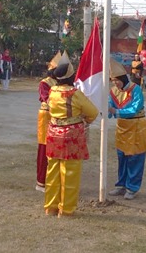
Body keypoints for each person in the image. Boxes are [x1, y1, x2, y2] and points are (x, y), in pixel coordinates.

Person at [44, 52, 98, 218]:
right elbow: (93, 112)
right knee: (70, 173)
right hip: (71, 136)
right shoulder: (75, 94)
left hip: (53, 133)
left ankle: (50, 207)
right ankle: (66, 210)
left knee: (52, 171)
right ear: (71, 76)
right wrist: (83, 119)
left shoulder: (52, 91)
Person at [107, 59, 146, 200]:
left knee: (135, 158)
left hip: (136, 126)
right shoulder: (113, 91)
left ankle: (132, 187)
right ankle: (121, 185)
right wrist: (107, 109)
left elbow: (135, 108)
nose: (115, 83)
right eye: (113, 81)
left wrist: (116, 111)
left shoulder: (135, 89)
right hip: (122, 127)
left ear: (122, 78)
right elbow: (110, 105)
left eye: (117, 80)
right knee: (122, 157)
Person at [35, 52, 60, 192]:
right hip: (47, 116)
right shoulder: (45, 83)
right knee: (44, 147)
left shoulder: (61, 82)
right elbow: (47, 99)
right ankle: (41, 181)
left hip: (59, 117)